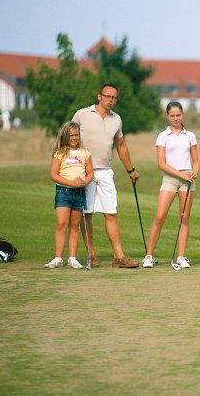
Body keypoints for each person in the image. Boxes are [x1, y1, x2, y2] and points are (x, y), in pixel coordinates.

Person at [71, 83, 140, 268]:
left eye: (114, 97)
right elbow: (68, 138)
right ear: (99, 96)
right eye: (107, 96)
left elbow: (121, 145)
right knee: (87, 213)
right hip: (84, 171)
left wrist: (130, 170)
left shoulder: (116, 119)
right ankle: (91, 255)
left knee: (111, 212)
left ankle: (119, 257)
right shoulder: (82, 114)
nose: (110, 100)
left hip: (105, 171)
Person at [143, 102, 199, 268]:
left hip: (187, 179)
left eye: (178, 115)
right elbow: (162, 164)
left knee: (184, 218)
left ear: (182, 115)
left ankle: (181, 257)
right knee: (160, 217)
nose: (176, 118)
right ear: (168, 116)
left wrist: (194, 172)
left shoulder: (190, 135)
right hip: (170, 178)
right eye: (172, 115)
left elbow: (195, 160)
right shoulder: (163, 136)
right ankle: (148, 256)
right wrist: (182, 174)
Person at [45, 121, 93, 269]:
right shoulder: (59, 153)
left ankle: (72, 258)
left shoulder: (84, 152)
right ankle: (58, 258)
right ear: (65, 136)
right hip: (63, 192)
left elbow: (91, 173)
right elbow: (53, 174)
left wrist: (84, 181)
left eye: (76, 135)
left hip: (79, 192)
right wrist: (71, 183)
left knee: (74, 226)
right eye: (71, 135)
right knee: (61, 224)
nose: (74, 138)